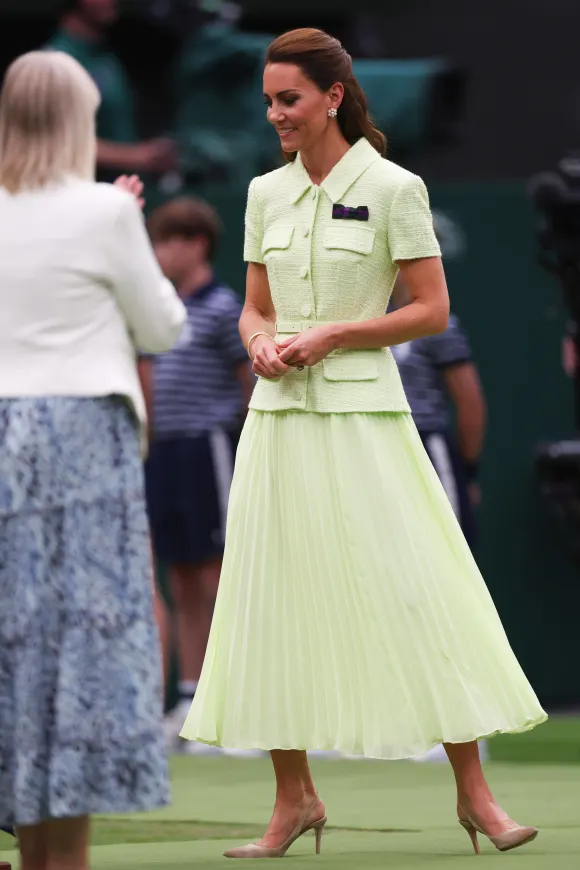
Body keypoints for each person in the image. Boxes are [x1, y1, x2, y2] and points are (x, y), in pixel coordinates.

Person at [180, 27, 547, 860]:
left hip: (368, 420)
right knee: (274, 604)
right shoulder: (263, 194)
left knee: (421, 590)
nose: (276, 114)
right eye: (269, 101)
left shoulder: (395, 188)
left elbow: (430, 312)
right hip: (277, 427)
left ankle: (476, 796)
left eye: (290, 100)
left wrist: (337, 335)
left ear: (333, 97)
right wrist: (257, 340)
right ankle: (292, 802)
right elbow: (253, 306)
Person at [0, 50, 186, 870]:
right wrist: (120, 220)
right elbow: (163, 328)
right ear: (80, 122)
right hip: (82, 438)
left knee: (16, 641)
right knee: (82, 644)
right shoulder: (107, 214)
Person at [142, 198, 254, 753]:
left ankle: (228, 706)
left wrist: (244, 439)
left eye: (170, 241)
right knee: (181, 579)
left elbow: (249, 380)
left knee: (214, 578)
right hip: (162, 452)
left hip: (209, 450)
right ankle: (188, 697)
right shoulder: (155, 310)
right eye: (156, 241)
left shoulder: (222, 306)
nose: (160, 253)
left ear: (197, 245)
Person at [391, 275, 486, 553]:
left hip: (427, 449)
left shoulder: (438, 323)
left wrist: (467, 473)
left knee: (448, 551)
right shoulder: (367, 316)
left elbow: (471, 403)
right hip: (378, 445)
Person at [47, 0, 176, 179]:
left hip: (123, 189)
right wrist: (137, 156)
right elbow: (53, 140)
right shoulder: (54, 62)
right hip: (85, 195)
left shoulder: (106, 57)